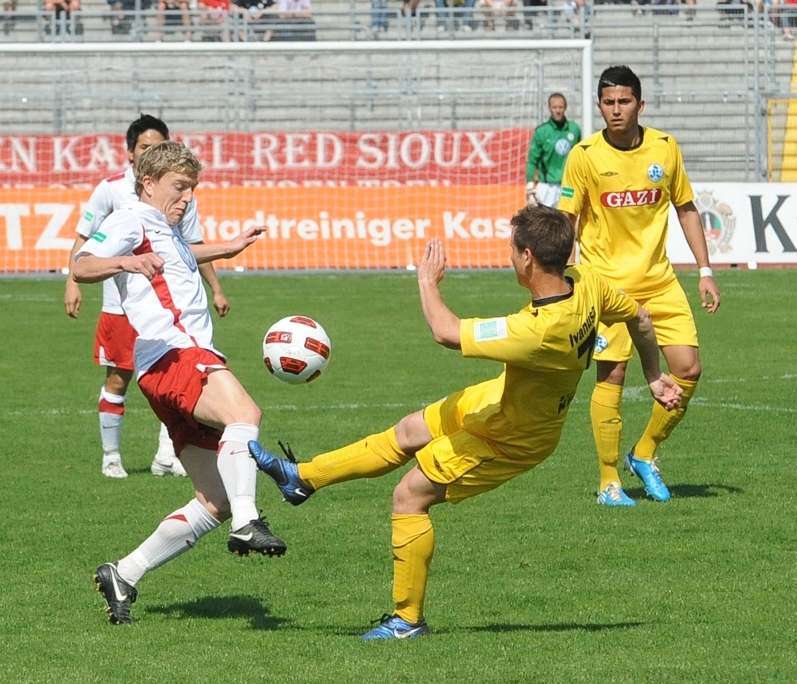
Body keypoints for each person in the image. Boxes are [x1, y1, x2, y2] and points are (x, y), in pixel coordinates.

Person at [249, 205, 682, 639]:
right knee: (407, 431)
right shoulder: (587, 282)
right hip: (500, 399)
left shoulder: (540, 329)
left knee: (409, 498)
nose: (509, 256)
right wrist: (654, 375)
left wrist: (425, 281)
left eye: (512, 249)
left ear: (528, 256)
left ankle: (407, 621)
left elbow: (446, 331)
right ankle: (302, 478)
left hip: (514, 437)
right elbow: (640, 318)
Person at [74, 141, 287, 625]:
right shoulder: (130, 218)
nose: (187, 196)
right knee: (245, 415)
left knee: (214, 499)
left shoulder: (163, 228)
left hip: (163, 366)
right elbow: (82, 266)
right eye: (179, 187)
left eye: (191, 187)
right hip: (175, 353)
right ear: (148, 183)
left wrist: (229, 247)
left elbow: (179, 252)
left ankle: (123, 572)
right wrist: (124, 263)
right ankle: (249, 522)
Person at [558, 65, 721, 507]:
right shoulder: (584, 155)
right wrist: (565, 281)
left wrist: (704, 271)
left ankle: (644, 453)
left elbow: (686, 208)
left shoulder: (665, 149)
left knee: (688, 370)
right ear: (599, 107)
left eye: (624, 101)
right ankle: (609, 481)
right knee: (612, 375)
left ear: (640, 104)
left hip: (660, 281)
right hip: (605, 287)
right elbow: (566, 222)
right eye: (608, 102)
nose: (616, 110)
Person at [64, 115, 230, 480]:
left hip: (169, 307)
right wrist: (72, 282)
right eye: (144, 147)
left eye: (158, 146)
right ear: (130, 153)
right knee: (119, 379)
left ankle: (166, 455)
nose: (150, 151)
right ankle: (111, 455)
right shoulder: (112, 190)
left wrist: (216, 285)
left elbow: (187, 248)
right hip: (121, 306)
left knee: (176, 379)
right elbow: (84, 241)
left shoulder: (181, 193)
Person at [525, 93, 581, 209]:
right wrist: (530, 185)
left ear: (565, 107)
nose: (558, 111)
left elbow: (580, 158)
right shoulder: (541, 131)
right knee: (543, 222)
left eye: (560, 107)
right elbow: (532, 159)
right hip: (546, 186)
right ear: (549, 108)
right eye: (554, 107)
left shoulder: (574, 130)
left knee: (567, 219)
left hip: (567, 185)